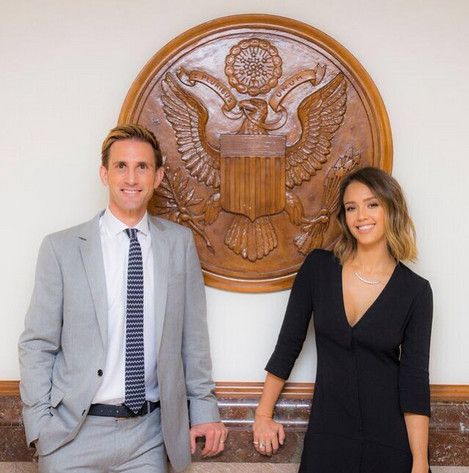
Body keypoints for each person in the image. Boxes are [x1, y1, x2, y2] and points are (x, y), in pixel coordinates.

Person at [18, 124, 227, 473]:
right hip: (72, 435)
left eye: (142, 166)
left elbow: (193, 338)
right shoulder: (61, 248)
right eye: (121, 166)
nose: (131, 178)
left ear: (158, 176)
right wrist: (40, 426)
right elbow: (38, 343)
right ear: (104, 174)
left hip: (148, 437)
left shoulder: (178, 244)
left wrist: (204, 410)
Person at [253, 166, 433, 473]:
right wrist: (262, 415)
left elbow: (414, 381)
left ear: (392, 209)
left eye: (372, 204)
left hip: (390, 443)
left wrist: (419, 462)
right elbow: (288, 346)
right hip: (327, 437)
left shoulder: (416, 291)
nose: (361, 216)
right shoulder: (318, 268)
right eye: (351, 207)